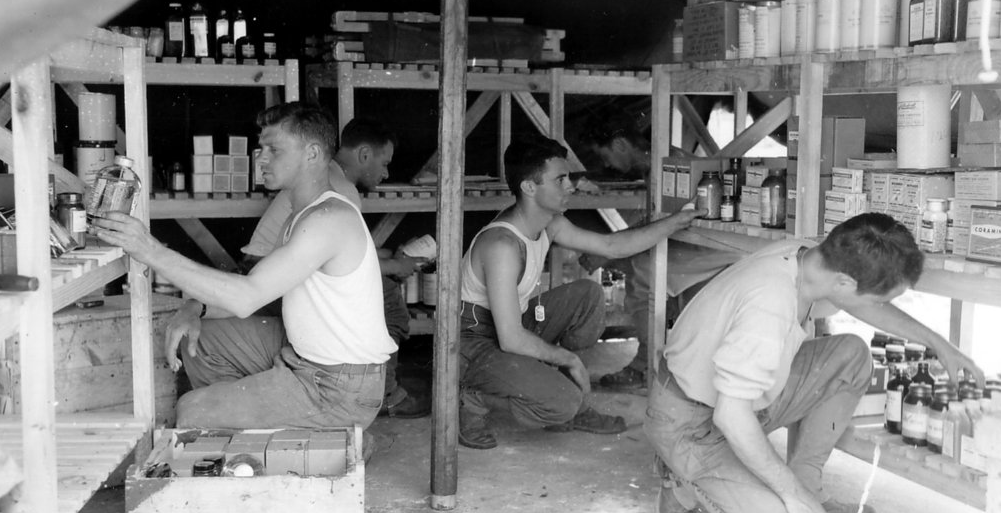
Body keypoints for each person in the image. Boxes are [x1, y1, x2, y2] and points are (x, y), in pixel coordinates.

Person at [643, 213, 987, 513]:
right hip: (694, 424)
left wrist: (940, 344)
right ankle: (683, 478)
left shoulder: (808, 258)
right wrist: (788, 495)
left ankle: (806, 488)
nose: (878, 304)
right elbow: (731, 414)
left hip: (730, 398)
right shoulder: (768, 304)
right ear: (844, 281)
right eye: (880, 295)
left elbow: (862, 304)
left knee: (851, 355)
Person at [92, 102, 396, 430]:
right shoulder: (303, 213)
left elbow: (246, 297)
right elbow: (260, 286)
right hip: (311, 361)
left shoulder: (328, 219)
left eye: (274, 149)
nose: (261, 158)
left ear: (311, 154)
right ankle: (263, 418)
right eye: (260, 148)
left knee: (194, 412)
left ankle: (316, 439)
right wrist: (196, 307)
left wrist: (148, 249)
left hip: (339, 390)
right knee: (201, 340)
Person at [458, 136, 699, 450]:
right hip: (476, 343)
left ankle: (548, 382)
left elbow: (613, 246)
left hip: (510, 325)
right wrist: (569, 358)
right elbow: (511, 339)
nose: (570, 186)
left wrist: (676, 221)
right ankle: (474, 398)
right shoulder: (503, 245)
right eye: (560, 180)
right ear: (529, 187)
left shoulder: (550, 224)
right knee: (562, 405)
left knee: (588, 296)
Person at [241, 117, 430, 418]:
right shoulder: (340, 189)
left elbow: (340, 252)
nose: (386, 172)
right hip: (272, 272)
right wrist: (397, 264)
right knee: (391, 303)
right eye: (384, 163)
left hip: (270, 265)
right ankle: (384, 394)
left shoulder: (325, 176)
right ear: (365, 155)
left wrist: (392, 259)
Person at [580, 111, 741, 389]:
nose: (606, 163)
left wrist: (607, 250)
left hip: (718, 245)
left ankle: (646, 366)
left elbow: (659, 223)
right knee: (644, 263)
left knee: (646, 272)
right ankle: (668, 361)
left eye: (604, 155)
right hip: (705, 240)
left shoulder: (662, 165)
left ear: (620, 145)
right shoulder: (664, 157)